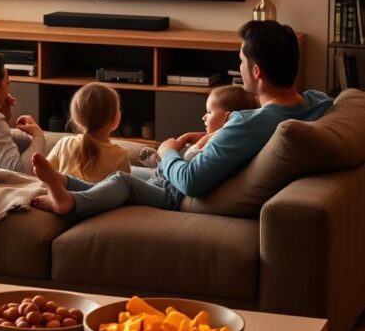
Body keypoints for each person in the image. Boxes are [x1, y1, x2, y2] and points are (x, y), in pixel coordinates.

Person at [30, 21, 332, 218]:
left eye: (241, 61)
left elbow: (189, 180)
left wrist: (166, 151)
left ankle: (71, 202)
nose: (239, 67)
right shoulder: (315, 104)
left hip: (178, 191)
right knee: (122, 172)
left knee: (122, 180)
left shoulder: (247, 123)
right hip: (178, 174)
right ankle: (64, 181)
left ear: (256, 71)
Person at [139, 85, 258, 169]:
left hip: (170, 176)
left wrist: (169, 151)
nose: (203, 117)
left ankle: (157, 161)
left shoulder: (218, 142)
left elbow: (189, 157)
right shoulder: (227, 136)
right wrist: (187, 138)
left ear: (227, 118)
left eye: (209, 112)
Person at [46, 83, 131, 183]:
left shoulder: (65, 143)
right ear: (115, 119)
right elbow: (125, 189)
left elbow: (45, 173)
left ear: (77, 118)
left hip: (63, 192)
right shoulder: (120, 156)